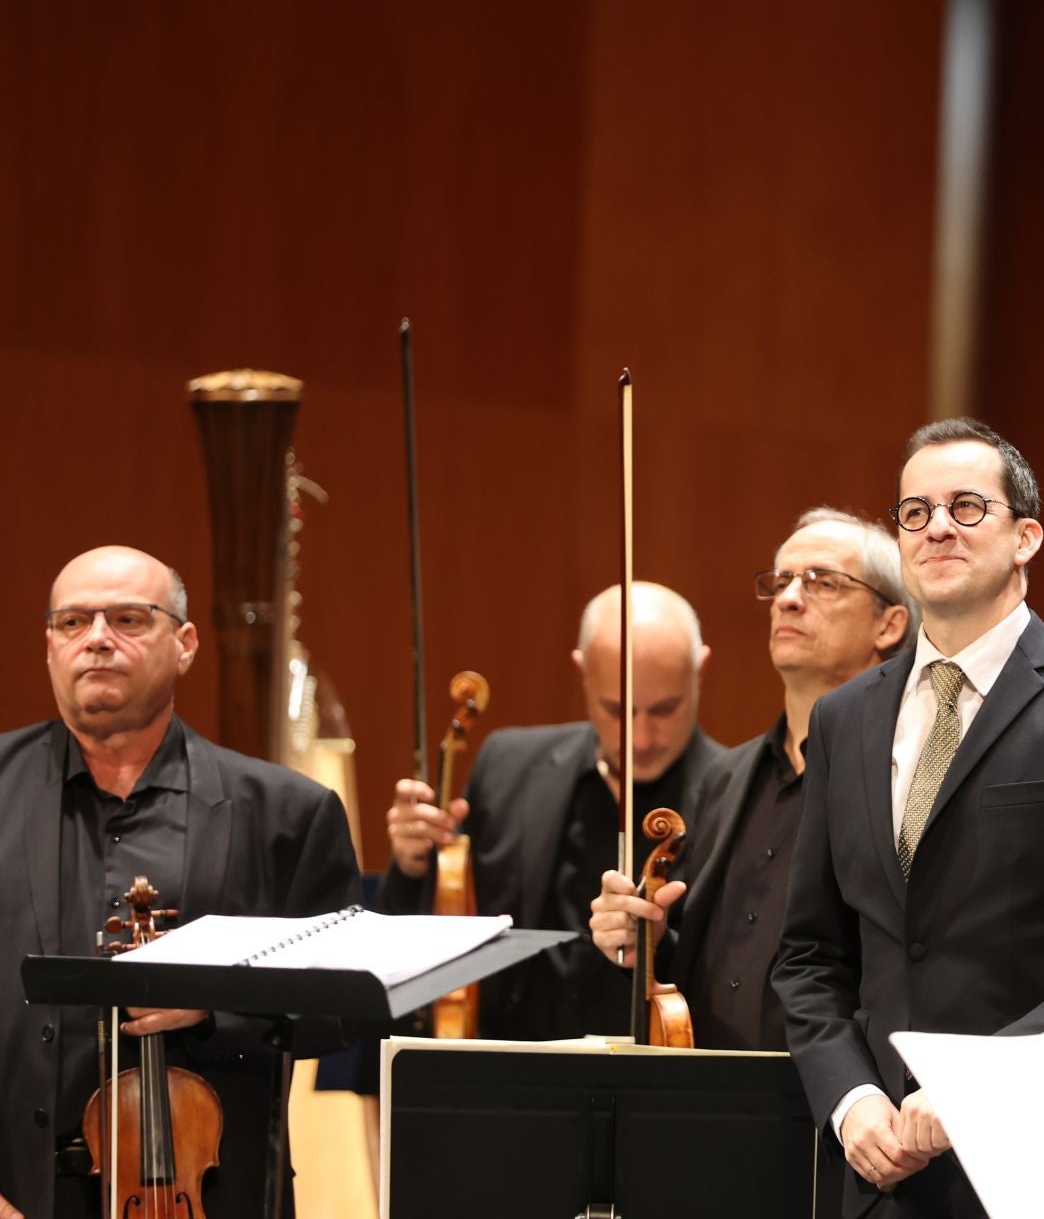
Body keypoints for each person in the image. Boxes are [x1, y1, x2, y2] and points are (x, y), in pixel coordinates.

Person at [771, 418, 1044, 1218]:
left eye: (967, 507)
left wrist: (986, 1081)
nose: (937, 526)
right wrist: (849, 1099)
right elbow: (808, 956)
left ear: (1025, 537)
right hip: (875, 1174)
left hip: (1038, 1166)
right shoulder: (843, 719)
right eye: (914, 513)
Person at [0, 546, 360, 1219]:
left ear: (185, 643)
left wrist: (218, 1007)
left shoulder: (287, 814)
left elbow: (342, 1009)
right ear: (49, 643)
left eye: (129, 619)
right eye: (73, 622)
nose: (97, 639)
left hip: (211, 1197)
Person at [588, 508, 916, 1052]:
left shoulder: (903, 775)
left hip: (841, 1108)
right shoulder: (725, 777)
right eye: (782, 580)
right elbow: (702, 961)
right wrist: (641, 942)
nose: (788, 598)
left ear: (889, 624)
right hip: (715, 1096)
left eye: (822, 582)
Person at [379, 581, 724, 1039]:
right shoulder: (506, 765)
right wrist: (413, 864)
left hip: (653, 1091)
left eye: (664, 709)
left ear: (699, 670)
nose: (640, 738)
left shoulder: (733, 794)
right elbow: (430, 938)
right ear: (582, 673)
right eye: (616, 709)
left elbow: (736, 983)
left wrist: (658, 946)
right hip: (507, 1083)